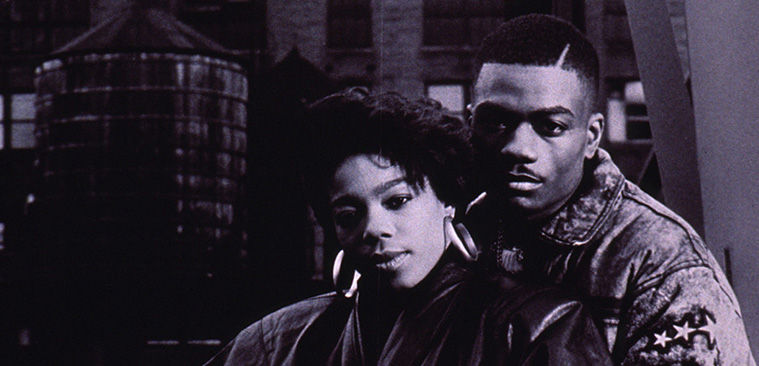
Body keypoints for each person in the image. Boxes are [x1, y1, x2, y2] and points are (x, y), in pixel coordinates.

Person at [205, 89, 612, 365]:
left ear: (448, 200)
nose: (374, 229)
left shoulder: (537, 325)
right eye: (349, 215)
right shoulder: (280, 340)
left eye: (397, 201)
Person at [465, 13, 756, 366]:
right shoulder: (466, 227)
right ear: (471, 122)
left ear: (591, 137)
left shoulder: (662, 263)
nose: (519, 147)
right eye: (496, 122)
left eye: (550, 126)